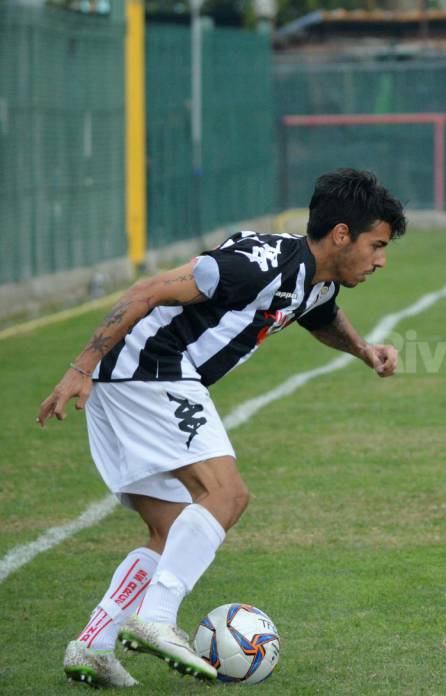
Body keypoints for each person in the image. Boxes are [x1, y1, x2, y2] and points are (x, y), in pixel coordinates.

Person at [37, 169, 406, 687]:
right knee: (226, 495)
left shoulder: (314, 280)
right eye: (377, 245)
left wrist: (365, 350)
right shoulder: (257, 266)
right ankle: (158, 620)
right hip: (152, 371)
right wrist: (79, 368)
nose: (381, 260)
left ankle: (94, 645)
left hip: (129, 382)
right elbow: (147, 291)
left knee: (170, 530)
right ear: (341, 235)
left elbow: (322, 315)